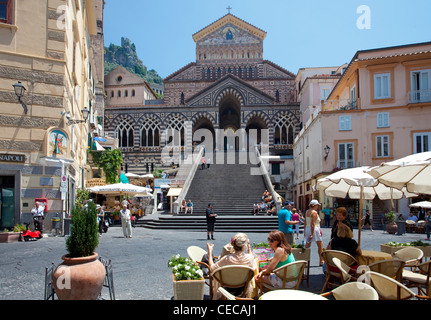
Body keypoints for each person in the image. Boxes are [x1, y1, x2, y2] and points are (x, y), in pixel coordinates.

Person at [207, 233, 256, 299]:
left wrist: (210, 253)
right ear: (245, 246)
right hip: (243, 287)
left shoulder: (227, 258)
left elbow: (212, 267)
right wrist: (249, 249)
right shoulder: (250, 258)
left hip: (227, 287)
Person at [304, 200, 324, 266]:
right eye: (317, 205)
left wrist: (305, 231)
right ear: (315, 205)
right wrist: (312, 234)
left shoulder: (307, 212)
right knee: (320, 245)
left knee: (307, 245)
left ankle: (305, 261)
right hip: (314, 229)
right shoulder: (314, 212)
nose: (318, 206)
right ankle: (321, 260)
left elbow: (305, 222)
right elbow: (313, 223)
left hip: (307, 228)